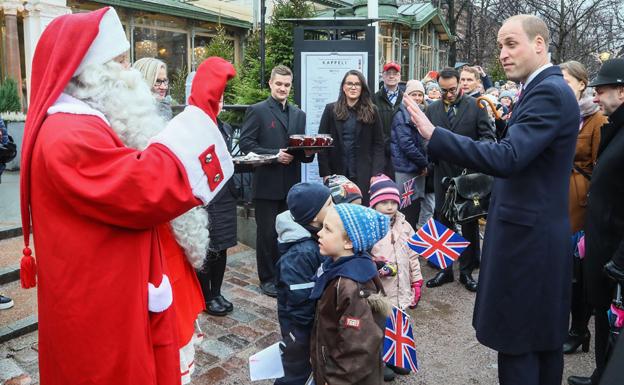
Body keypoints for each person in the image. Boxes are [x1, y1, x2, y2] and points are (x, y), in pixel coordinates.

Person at [19, 8, 235, 385]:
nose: (129, 73)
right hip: (100, 306)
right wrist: (200, 111)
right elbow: (146, 186)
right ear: (90, 75)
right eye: (117, 63)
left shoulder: (78, 126)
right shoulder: (68, 135)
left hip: (103, 293)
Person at [405, 14, 579, 385]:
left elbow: (508, 157)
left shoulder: (548, 90)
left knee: (520, 343)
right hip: (533, 236)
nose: (502, 53)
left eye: (511, 43)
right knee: (538, 343)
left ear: (539, 44)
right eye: (500, 45)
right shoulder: (541, 88)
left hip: (528, 243)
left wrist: (434, 133)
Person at [569, 58, 624, 385]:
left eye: (602, 90)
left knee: (611, 319)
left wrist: (620, 258)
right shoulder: (615, 126)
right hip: (602, 240)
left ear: (622, 90)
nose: (598, 96)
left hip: (615, 248)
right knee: (602, 315)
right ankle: (600, 374)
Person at [239, 65, 314, 297]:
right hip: (266, 184)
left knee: (288, 233)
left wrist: (310, 152)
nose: (282, 88)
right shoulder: (257, 110)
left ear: (291, 87)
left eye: (286, 85)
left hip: (290, 186)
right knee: (267, 235)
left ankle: (284, 274)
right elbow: (246, 145)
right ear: (270, 84)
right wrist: (274, 155)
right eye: (279, 84)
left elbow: (298, 151)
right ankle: (267, 279)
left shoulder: (298, 114)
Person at [423, 66, 495, 292]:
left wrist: (470, 154)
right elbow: (425, 140)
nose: (448, 94)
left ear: (460, 85)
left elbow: (488, 139)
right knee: (442, 222)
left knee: (469, 223)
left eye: (452, 89)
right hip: (443, 174)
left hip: (467, 176)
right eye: (443, 90)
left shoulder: (476, 106)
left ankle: (467, 271)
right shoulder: (432, 109)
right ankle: (445, 270)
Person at [310, 203, 390, 385]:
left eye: (328, 229)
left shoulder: (351, 286)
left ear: (349, 242)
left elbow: (358, 348)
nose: (320, 233)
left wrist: (332, 379)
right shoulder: (336, 268)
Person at [558, 61, 606, 358]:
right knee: (559, 269)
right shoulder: (558, 114)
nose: (561, 86)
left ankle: (579, 331)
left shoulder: (595, 119)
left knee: (577, 273)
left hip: (579, 202)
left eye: (567, 80)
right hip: (554, 198)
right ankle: (560, 324)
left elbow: (602, 167)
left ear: (581, 84)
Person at [274, 182, 333, 385]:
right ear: (315, 215)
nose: (334, 207)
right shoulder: (301, 253)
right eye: (330, 204)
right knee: (295, 367)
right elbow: (299, 298)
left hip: (309, 321)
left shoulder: (315, 236)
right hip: (299, 326)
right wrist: (310, 327)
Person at [368, 174, 423, 380]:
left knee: (399, 322)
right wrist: (377, 267)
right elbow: (365, 257)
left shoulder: (405, 225)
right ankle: (379, 359)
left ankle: (396, 356)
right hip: (381, 289)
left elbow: (413, 255)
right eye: (384, 202)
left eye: (393, 202)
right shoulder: (370, 227)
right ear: (374, 203)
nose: (390, 206)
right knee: (380, 324)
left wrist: (416, 281)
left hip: (402, 287)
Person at [196, 94, 238, 317]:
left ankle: (217, 292)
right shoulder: (197, 128)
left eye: (221, 100)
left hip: (225, 194)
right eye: (214, 99)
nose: (218, 104)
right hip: (206, 195)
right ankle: (205, 295)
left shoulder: (226, 127)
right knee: (206, 246)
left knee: (223, 245)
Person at [318, 70, 385, 205]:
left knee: (361, 213)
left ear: (362, 88)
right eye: (349, 83)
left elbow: (378, 144)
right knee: (337, 214)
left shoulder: (372, 111)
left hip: (364, 174)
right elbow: (322, 143)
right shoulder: (331, 109)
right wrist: (325, 173)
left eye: (357, 84)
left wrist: (375, 174)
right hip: (336, 174)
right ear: (343, 87)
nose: (353, 87)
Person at [391, 80, 429, 228]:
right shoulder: (402, 115)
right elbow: (406, 145)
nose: (418, 98)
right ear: (407, 95)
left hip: (417, 167)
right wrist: (424, 163)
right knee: (405, 206)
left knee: (415, 205)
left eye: (420, 94)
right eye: (414, 94)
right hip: (405, 168)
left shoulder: (420, 113)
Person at [374, 62, 404, 177]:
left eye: (395, 74)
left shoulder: (405, 99)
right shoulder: (374, 99)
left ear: (399, 77)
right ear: (383, 75)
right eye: (388, 73)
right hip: (382, 154)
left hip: (402, 154)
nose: (391, 76)